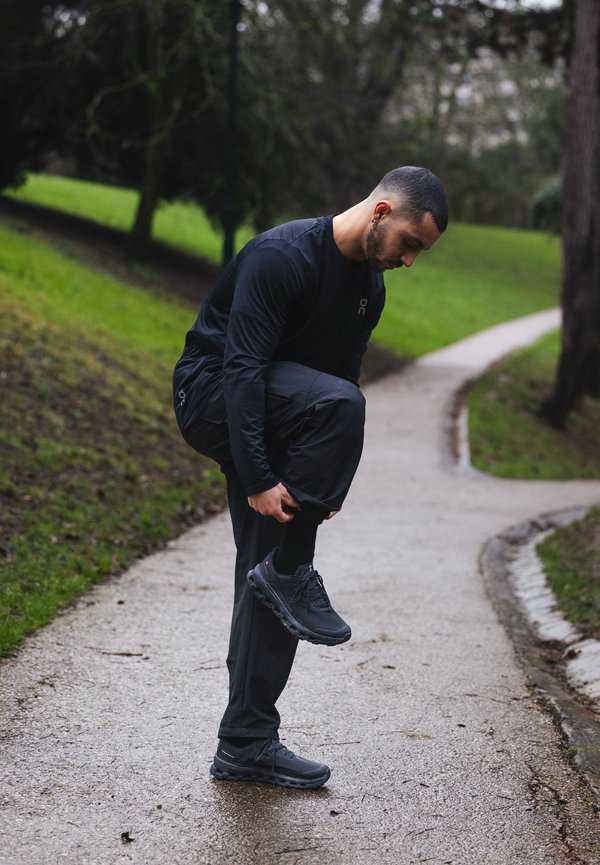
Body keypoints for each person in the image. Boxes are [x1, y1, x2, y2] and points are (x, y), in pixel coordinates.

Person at [173, 166, 448, 789]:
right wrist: (259, 477)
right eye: (410, 242)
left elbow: (333, 385)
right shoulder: (281, 256)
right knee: (292, 557)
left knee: (271, 567)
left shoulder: (367, 292)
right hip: (211, 393)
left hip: (275, 414)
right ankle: (291, 571)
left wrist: (313, 483)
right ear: (380, 212)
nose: (409, 261)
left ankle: (245, 742)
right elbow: (243, 370)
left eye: (419, 253)